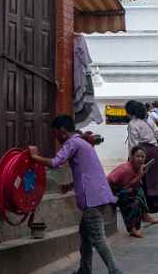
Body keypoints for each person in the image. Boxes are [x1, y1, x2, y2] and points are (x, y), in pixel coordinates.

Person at [29, 115, 122, 274]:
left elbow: (55, 163)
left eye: (56, 133)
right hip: (99, 194)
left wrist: (34, 157)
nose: (56, 138)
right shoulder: (82, 143)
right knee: (86, 236)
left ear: (63, 131)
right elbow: (86, 171)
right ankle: (84, 270)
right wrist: (70, 185)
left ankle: (115, 271)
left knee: (98, 239)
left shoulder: (72, 143)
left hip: (91, 199)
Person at [125, 101, 158, 219]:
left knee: (143, 180)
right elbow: (157, 133)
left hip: (143, 152)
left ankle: (153, 205)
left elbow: (133, 144)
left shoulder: (133, 124)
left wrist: (132, 159)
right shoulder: (148, 120)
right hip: (155, 150)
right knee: (154, 179)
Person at [107, 145, 158, 237]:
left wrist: (139, 175)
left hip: (124, 189)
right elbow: (109, 180)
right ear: (131, 157)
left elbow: (133, 183)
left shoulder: (137, 168)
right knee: (131, 199)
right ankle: (132, 228)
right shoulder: (124, 169)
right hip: (113, 192)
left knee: (139, 189)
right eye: (137, 156)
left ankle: (144, 215)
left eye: (142, 157)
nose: (140, 159)